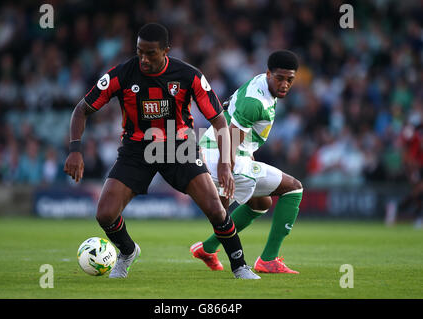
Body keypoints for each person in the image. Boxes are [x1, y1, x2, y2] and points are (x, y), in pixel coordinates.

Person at [64, 23, 259, 279]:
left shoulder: (189, 75)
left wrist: (225, 163)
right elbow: (82, 109)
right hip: (136, 148)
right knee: (105, 214)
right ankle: (128, 251)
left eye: (150, 53)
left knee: (215, 208)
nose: (143, 59)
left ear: (166, 50)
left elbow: (219, 120)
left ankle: (240, 266)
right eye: (139, 52)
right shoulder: (121, 74)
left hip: (179, 148)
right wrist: (75, 149)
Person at [190, 50, 303, 273]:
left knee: (261, 203)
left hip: (217, 147)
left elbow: (230, 112)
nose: (284, 85)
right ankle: (268, 260)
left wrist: (244, 151)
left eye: (290, 79)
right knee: (293, 189)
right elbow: (231, 138)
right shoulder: (256, 102)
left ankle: (208, 247)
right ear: (269, 73)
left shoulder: (260, 82)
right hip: (222, 153)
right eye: (279, 78)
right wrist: (226, 171)